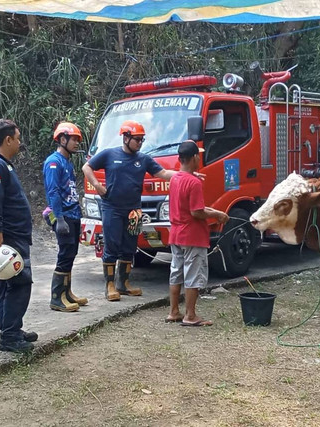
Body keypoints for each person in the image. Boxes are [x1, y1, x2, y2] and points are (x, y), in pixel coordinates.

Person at [82, 120, 176, 301]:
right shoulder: (109, 154)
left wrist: (184, 174)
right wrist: (97, 185)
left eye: (142, 139)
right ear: (125, 138)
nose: (140, 143)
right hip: (112, 209)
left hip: (134, 211)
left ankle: (123, 284)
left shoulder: (144, 159)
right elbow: (87, 167)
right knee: (112, 246)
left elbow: (163, 174)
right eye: (137, 139)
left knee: (129, 247)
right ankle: (110, 285)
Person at [0, 119, 37, 352]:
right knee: (19, 284)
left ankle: (11, 329)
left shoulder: (4, 164)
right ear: (7, 140)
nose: (19, 142)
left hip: (15, 234)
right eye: (17, 138)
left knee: (8, 283)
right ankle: (9, 336)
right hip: (10, 235)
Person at [166, 140, 228, 326]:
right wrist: (217, 214)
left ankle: (174, 311)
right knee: (193, 274)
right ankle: (190, 315)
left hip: (176, 233)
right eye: (198, 155)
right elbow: (196, 212)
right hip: (192, 235)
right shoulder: (194, 183)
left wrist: (212, 211)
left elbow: (191, 207)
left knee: (176, 272)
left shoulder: (175, 178)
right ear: (194, 157)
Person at [43, 122, 87, 312]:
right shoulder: (53, 162)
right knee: (64, 254)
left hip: (73, 213)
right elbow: (53, 192)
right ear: (62, 139)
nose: (77, 143)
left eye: (78, 140)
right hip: (63, 215)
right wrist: (59, 219)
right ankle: (56, 297)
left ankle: (67, 292)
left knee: (71, 253)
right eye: (74, 139)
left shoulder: (67, 161)